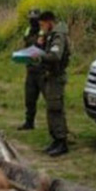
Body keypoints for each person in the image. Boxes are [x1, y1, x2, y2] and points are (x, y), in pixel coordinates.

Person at [33, 11, 70, 156]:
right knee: (51, 109)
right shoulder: (50, 35)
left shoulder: (58, 35)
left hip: (56, 76)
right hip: (50, 76)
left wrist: (39, 57)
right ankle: (55, 139)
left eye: (42, 25)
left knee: (56, 109)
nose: (42, 28)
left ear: (49, 22)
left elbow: (55, 56)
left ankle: (62, 141)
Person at [17, 8, 45, 131]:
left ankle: (55, 125)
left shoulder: (44, 31)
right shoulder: (28, 30)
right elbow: (26, 46)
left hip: (42, 70)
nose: (32, 21)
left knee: (49, 99)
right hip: (30, 69)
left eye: (35, 19)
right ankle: (29, 122)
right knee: (29, 98)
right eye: (31, 19)